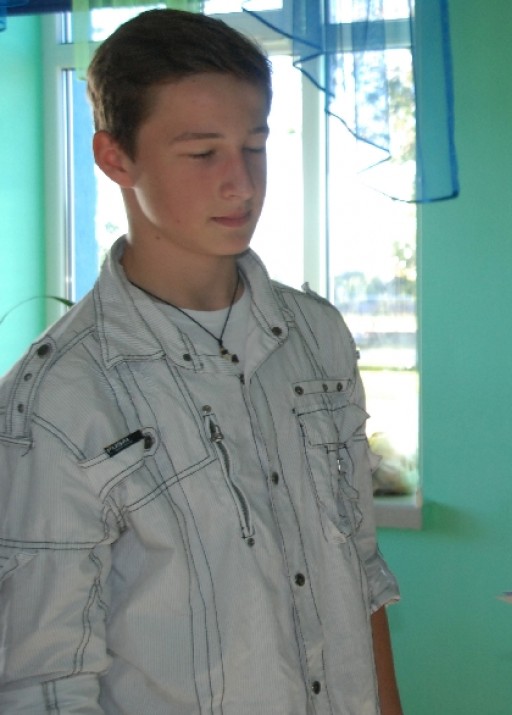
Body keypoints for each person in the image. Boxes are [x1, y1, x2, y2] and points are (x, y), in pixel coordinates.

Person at [0, 9, 402, 714]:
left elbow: (361, 575)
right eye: (202, 153)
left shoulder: (317, 337)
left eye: (255, 146)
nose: (241, 183)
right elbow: (44, 683)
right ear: (115, 158)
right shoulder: (61, 398)